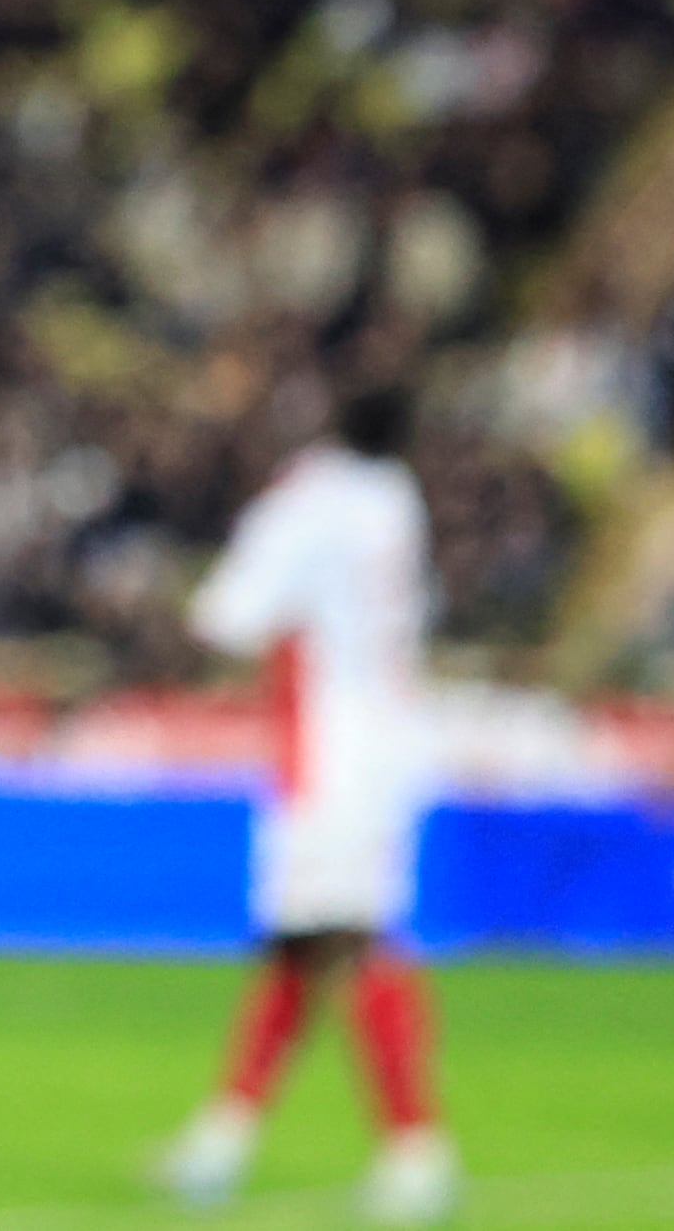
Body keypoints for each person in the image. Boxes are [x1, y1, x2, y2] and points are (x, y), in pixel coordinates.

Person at [159, 380, 456, 1226]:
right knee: (299, 943)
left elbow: (230, 613)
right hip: (386, 735)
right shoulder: (397, 500)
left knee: (350, 938)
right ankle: (225, 1136)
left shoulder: (312, 501)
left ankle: (415, 1145)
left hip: (326, 750)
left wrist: (171, 596)